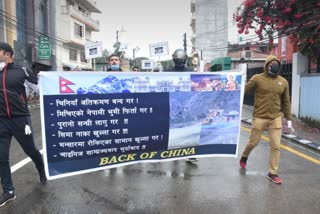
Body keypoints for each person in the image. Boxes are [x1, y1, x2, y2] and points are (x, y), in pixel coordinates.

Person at [0, 42, 47, 207]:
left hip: (21, 120)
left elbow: (41, 89)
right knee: (1, 156)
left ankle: (41, 170)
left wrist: (43, 79)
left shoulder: (22, 70)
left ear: (7, 54)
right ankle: (8, 191)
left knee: (31, 150)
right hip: (2, 121)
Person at [239, 55, 294, 185]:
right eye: (271, 64)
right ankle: (245, 155)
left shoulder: (283, 82)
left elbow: (286, 101)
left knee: (276, 146)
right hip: (259, 117)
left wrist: (289, 119)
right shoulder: (257, 78)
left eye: (276, 64)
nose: (273, 66)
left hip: (275, 118)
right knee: (253, 142)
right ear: (266, 65)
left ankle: (272, 172)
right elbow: (243, 91)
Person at [165, 49, 197, 163]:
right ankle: (177, 152)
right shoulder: (167, 72)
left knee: (186, 127)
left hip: (184, 103)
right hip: (174, 102)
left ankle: (188, 152)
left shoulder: (190, 71)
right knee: (177, 128)